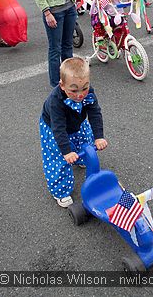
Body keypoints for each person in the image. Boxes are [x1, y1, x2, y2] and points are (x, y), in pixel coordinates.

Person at [39, 57, 108, 207]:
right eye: (74, 89)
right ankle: (60, 190)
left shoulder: (89, 93)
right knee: (59, 157)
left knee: (84, 139)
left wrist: (99, 137)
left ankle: (81, 158)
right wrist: (67, 151)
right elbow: (58, 129)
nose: (80, 94)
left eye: (84, 88)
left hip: (77, 120)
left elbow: (95, 113)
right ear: (62, 85)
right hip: (54, 128)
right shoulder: (55, 101)